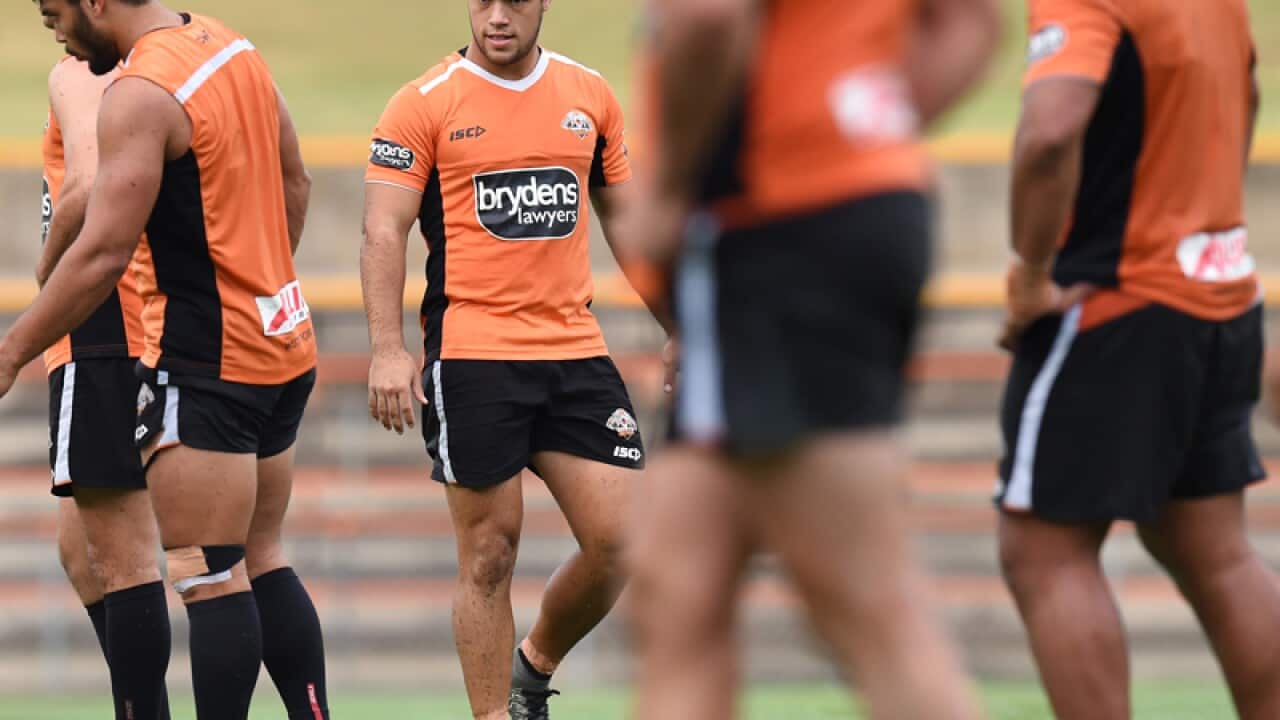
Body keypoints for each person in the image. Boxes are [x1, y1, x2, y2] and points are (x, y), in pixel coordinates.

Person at [625, 1, 1000, 719]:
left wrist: (668, 190)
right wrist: (862, 138)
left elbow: (707, 15)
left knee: (867, 602)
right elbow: (971, 22)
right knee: (677, 587)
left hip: (771, 230)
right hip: (816, 226)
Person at [4, 2, 330, 718]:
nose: (49, 25)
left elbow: (100, 236)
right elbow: (296, 180)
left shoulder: (135, 87)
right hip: (278, 343)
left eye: (55, 10)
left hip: (198, 353)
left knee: (201, 575)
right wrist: (259, 283)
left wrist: (14, 343)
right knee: (258, 556)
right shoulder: (229, 44)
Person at [361, 1, 659, 717]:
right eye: (484, 1)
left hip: (575, 351)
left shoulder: (588, 96)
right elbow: (383, 228)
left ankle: (535, 665)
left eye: (516, 1)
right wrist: (388, 348)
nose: (498, 16)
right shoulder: (422, 104)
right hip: (472, 359)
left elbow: (627, 219)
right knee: (491, 555)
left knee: (630, 539)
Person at [995, 1, 1280, 718]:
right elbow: (1247, 96)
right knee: (1216, 553)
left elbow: (1051, 134)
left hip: (1116, 301)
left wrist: (1031, 273)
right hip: (1218, 290)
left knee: (1042, 549)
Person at [32, 5, 171, 717]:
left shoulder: (83, 74)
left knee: (126, 561)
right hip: (136, 322)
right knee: (80, 552)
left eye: (51, 10)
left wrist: (46, 276)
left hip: (100, 321)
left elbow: (84, 188)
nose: (49, 25)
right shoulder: (178, 62)